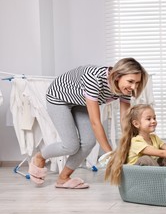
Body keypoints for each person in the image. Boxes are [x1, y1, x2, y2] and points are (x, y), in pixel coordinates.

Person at [28, 58, 149, 189]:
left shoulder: (125, 89)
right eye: (130, 81)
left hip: (79, 101)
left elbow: (125, 120)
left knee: (89, 142)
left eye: (137, 83)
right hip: (58, 98)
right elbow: (95, 122)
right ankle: (40, 157)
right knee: (70, 145)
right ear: (117, 76)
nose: (133, 87)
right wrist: (110, 154)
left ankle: (63, 179)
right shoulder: (94, 79)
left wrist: (132, 143)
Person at [104, 104, 166, 186]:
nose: (153, 121)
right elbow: (161, 153)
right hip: (136, 177)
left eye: (154, 118)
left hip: (152, 173)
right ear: (136, 124)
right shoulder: (136, 141)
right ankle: (164, 183)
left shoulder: (154, 138)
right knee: (146, 159)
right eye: (149, 119)